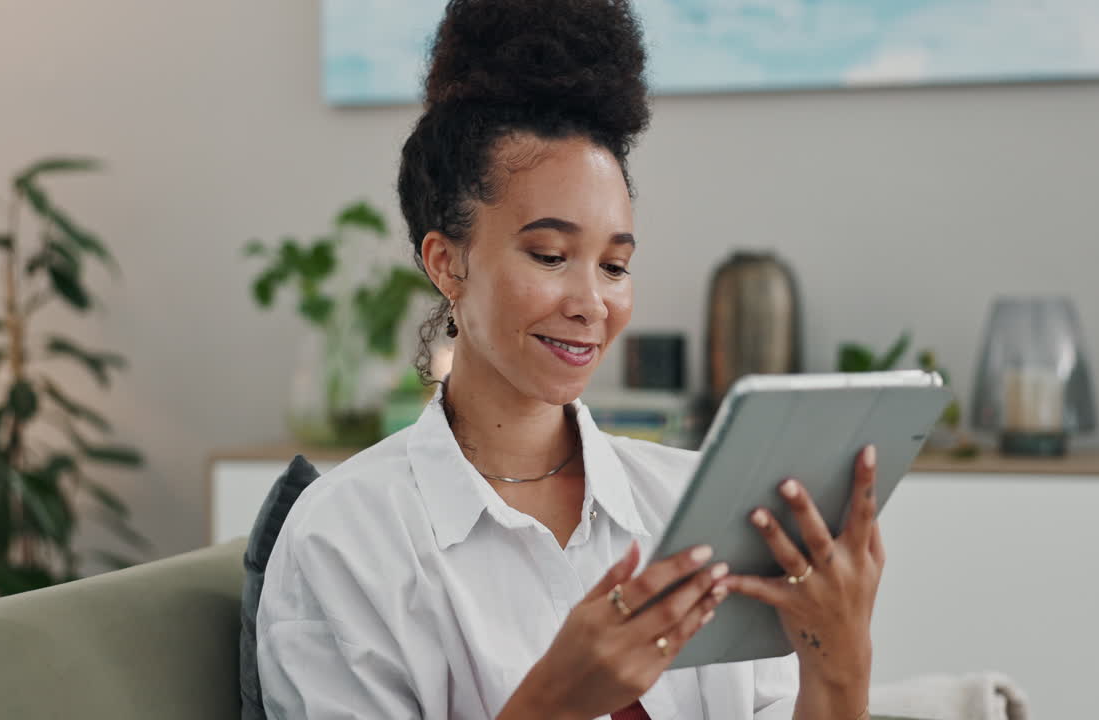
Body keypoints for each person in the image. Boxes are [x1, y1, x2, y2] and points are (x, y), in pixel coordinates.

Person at [256, 1, 885, 718]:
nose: (592, 302)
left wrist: (840, 660)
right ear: (447, 262)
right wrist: (553, 703)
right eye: (551, 256)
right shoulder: (347, 541)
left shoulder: (697, 510)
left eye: (615, 265)